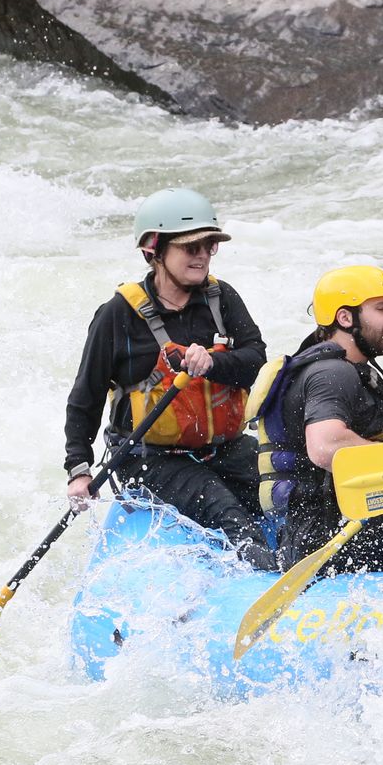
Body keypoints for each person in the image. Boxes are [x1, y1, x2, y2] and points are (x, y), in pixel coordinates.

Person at [63, 188, 275, 568]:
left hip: (222, 447)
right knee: (226, 510)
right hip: (149, 459)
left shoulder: (221, 298)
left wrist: (212, 363)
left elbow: (254, 359)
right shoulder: (118, 315)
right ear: (154, 251)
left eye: (209, 245)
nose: (203, 255)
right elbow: (86, 395)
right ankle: (268, 581)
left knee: (287, 488)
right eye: (190, 247)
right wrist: (79, 469)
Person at [255, 265, 383, 573]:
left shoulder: (343, 367)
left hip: (337, 516)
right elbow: (325, 446)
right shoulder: (331, 373)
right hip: (325, 534)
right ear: (345, 318)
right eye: (381, 308)